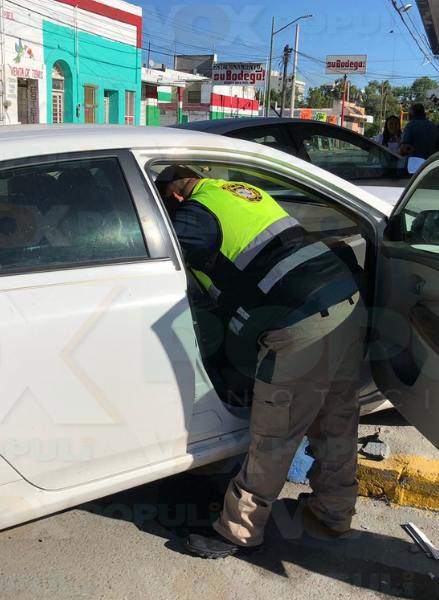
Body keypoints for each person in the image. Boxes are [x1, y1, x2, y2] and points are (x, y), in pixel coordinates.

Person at [155, 166, 367, 559]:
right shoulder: (236, 190)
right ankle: (334, 513)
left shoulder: (194, 216)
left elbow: (156, 257)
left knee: (274, 434)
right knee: (336, 419)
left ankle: (239, 531)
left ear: (176, 198)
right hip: (345, 300)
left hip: (299, 322)